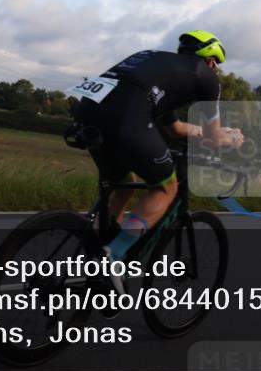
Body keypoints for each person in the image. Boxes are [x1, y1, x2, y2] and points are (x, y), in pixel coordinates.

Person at [71, 30, 244, 261]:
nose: (215, 70)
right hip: (127, 114)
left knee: (122, 187)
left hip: (89, 110)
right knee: (166, 187)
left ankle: (93, 251)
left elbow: (175, 129)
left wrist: (202, 131)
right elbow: (214, 139)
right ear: (211, 60)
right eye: (216, 65)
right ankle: (113, 257)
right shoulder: (207, 76)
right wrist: (230, 137)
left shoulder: (159, 68)